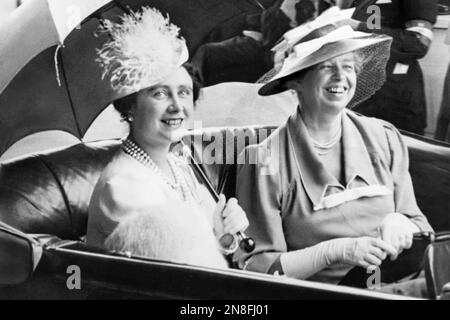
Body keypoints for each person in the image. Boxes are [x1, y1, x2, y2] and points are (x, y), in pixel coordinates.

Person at [235, 22, 433, 296]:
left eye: (348, 66)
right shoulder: (264, 161)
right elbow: (257, 268)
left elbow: (422, 229)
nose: (340, 77)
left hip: (408, 280)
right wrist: (334, 251)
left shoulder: (384, 137)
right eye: (326, 66)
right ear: (296, 81)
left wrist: (401, 221)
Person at [86, 7, 249, 269]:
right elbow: (186, 273)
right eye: (160, 94)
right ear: (129, 107)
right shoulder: (125, 188)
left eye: (184, 92)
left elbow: (200, 256)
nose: (176, 106)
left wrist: (224, 234)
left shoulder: (175, 163)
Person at [349, 0, 438, 135]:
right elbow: (374, 25)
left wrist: (358, 28)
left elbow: (418, 42)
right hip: (362, 95)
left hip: (393, 101)